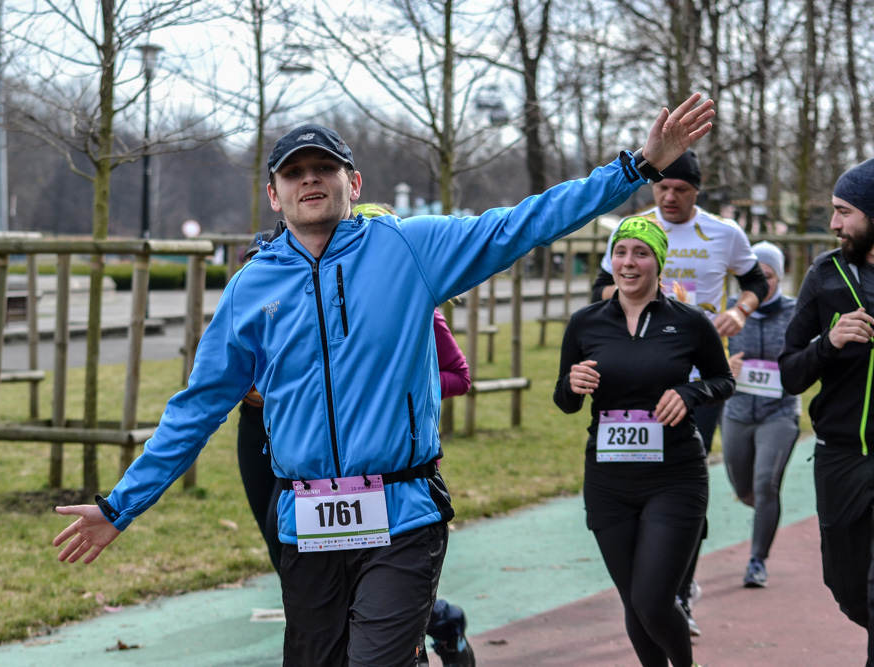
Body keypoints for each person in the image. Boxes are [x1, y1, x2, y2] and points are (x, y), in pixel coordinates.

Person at [51, 93, 714, 666]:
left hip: (401, 512)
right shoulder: (252, 286)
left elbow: (522, 224)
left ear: (354, 182)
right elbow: (197, 406)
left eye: (324, 169)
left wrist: (636, 168)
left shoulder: (407, 248)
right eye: (295, 173)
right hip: (307, 521)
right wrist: (120, 506)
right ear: (274, 193)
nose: (310, 181)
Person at [237, 202, 476, 666]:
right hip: (280, 449)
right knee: (290, 557)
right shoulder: (270, 283)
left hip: (384, 470)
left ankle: (432, 627)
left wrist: (387, 391)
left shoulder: (403, 292)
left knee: (381, 596)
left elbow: (458, 375)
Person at [591, 149, 769, 635]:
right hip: (637, 376)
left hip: (698, 380)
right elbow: (599, 290)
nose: (669, 197)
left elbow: (754, 281)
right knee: (640, 483)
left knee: (683, 486)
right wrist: (641, 292)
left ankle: (679, 590)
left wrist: (741, 310)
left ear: (697, 191)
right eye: (662, 188)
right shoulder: (632, 230)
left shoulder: (725, 233)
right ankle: (649, 587)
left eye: (681, 190)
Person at [555, 216, 734, 667]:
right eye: (620, 252)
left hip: (674, 476)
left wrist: (691, 393)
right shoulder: (585, 323)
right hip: (608, 480)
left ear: (658, 262)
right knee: (634, 601)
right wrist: (572, 384)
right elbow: (566, 402)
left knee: (654, 600)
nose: (628, 263)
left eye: (640, 253)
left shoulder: (690, 323)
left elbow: (723, 379)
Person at [779, 157, 874, 666]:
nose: (834, 224)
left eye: (845, 212)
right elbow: (790, 373)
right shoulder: (824, 274)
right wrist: (829, 342)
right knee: (847, 588)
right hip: (840, 456)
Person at [720, 241, 800, 588]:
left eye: (769, 276)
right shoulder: (728, 311)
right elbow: (703, 358)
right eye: (755, 276)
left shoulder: (797, 312)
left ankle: (757, 560)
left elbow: (813, 356)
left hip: (779, 412)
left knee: (765, 483)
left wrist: (794, 368)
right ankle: (766, 514)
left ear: (779, 277)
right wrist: (725, 366)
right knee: (744, 489)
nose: (762, 283)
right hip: (737, 411)